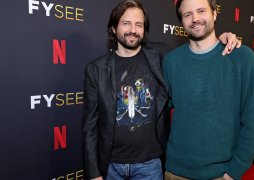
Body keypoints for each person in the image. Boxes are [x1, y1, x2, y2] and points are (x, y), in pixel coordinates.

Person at [82, 0, 241, 179]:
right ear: (113, 28)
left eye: (139, 24)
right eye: (126, 23)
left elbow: (199, 46)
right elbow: (90, 126)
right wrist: (94, 173)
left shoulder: (162, 56)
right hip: (111, 165)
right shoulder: (96, 69)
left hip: (150, 164)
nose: (133, 30)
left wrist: (223, 37)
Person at [162, 0, 254, 180]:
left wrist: (234, 172)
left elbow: (251, 121)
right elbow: (158, 112)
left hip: (220, 175)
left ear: (214, 14)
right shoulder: (171, 62)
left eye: (201, 11)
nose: (195, 19)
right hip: (175, 172)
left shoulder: (242, 58)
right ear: (181, 21)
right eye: (187, 14)